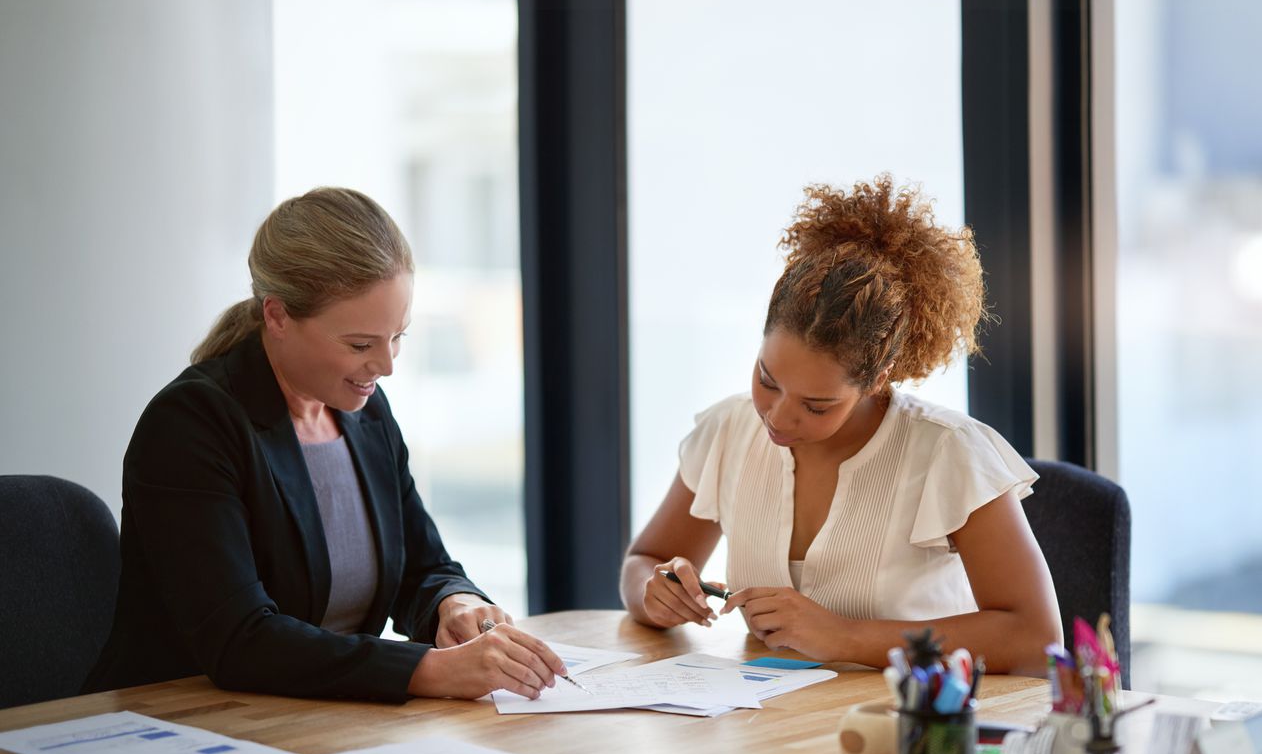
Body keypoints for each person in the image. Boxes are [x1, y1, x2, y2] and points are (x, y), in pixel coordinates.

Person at [85, 187, 565, 703]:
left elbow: (423, 568)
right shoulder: (191, 425)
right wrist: (430, 671)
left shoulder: (364, 411)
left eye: (397, 336)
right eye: (360, 344)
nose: (386, 366)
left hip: (315, 724)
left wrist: (457, 604)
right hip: (179, 728)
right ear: (277, 317)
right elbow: (240, 641)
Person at [621, 175, 1063, 671]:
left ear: (878, 379)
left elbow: (1035, 637)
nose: (776, 415)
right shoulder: (728, 430)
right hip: (770, 727)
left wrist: (847, 637)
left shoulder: (950, 452)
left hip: (910, 729)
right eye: (767, 379)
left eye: (816, 405)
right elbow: (646, 559)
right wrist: (654, 594)